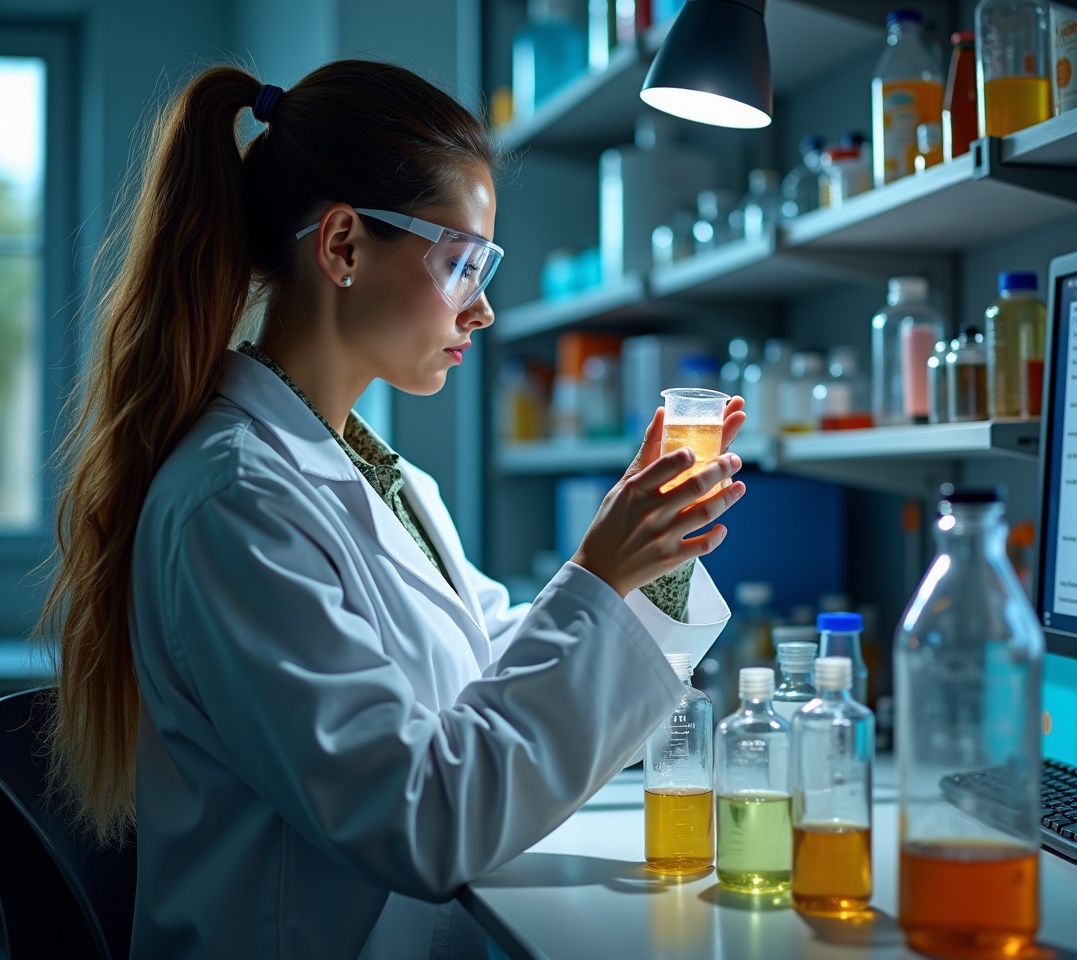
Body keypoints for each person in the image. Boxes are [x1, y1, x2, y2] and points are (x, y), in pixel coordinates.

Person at [40, 60, 747, 959]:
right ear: (341, 246)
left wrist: (651, 559)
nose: (483, 308)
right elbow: (420, 819)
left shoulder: (384, 479)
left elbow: (489, 667)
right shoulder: (236, 501)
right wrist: (600, 580)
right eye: (461, 264)